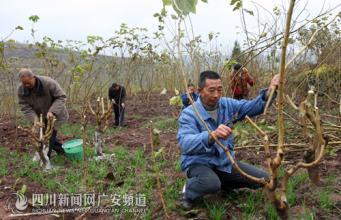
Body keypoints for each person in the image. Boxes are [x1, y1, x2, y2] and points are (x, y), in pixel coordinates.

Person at [177, 70, 279, 210]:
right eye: (211, 90)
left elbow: (251, 107)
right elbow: (185, 143)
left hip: (223, 162)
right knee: (210, 183)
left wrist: (270, 91)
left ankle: (223, 183)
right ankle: (188, 191)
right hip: (199, 163)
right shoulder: (189, 113)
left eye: (219, 90)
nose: (216, 95)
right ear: (200, 91)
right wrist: (211, 135)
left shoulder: (227, 105)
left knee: (264, 179)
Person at [17, 68, 69, 158]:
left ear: (33, 77)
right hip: (40, 116)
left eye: (28, 82)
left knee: (49, 135)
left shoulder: (48, 83)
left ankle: (46, 157)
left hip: (56, 114)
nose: (26, 85)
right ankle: (62, 152)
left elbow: (61, 97)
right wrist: (34, 119)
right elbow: (25, 107)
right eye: (24, 83)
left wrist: (52, 111)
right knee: (46, 136)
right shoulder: (21, 90)